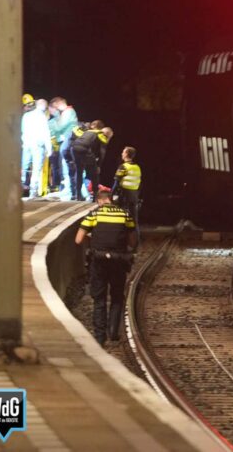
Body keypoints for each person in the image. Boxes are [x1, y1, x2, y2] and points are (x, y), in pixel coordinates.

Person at [74, 187, 136, 345]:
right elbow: (132, 241)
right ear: (111, 200)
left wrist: (93, 236)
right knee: (116, 296)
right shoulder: (124, 214)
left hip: (99, 261)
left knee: (99, 298)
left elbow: (78, 240)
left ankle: (100, 336)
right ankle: (113, 331)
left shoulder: (95, 214)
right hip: (118, 261)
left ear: (99, 201)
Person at [21, 98, 53, 198]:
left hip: (26, 144)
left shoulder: (26, 116)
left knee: (24, 167)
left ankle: (20, 187)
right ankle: (33, 191)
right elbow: (45, 132)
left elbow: (22, 131)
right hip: (38, 145)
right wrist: (49, 147)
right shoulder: (41, 115)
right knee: (36, 168)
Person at [70, 120, 108, 201]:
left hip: (74, 149)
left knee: (79, 172)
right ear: (101, 128)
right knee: (94, 172)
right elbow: (102, 152)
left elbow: (74, 133)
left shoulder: (86, 131)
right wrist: (99, 165)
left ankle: (78, 195)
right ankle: (95, 196)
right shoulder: (100, 134)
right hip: (85, 150)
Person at [50, 97, 78, 196]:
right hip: (67, 139)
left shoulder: (68, 112)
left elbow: (59, 127)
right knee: (65, 163)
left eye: (55, 107)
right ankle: (69, 188)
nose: (56, 109)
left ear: (58, 104)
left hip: (68, 139)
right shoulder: (68, 112)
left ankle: (69, 189)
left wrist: (55, 120)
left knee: (66, 163)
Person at [112, 146, 141, 233]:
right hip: (134, 195)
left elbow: (116, 183)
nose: (122, 153)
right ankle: (135, 240)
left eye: (123, 152)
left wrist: (110, 195)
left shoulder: (123, 167)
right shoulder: (137, 167)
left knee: (121, 219)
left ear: (126, 154)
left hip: (124, 195)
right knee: (134, 220)